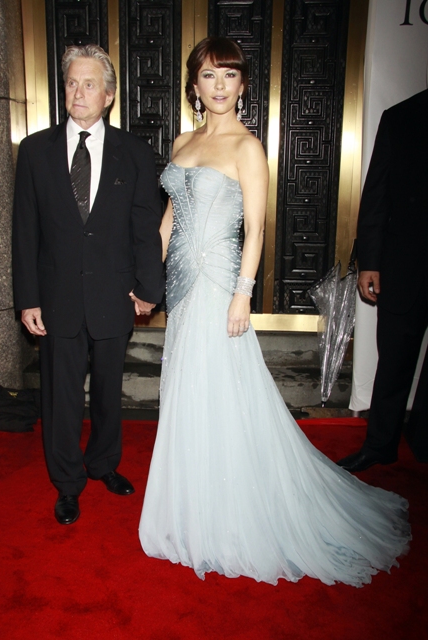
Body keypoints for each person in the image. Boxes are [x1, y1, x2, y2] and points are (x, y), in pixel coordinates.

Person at [138, 37, 410, 587]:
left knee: (222, 390)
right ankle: (195, 501)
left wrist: (243, 293)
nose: (219, 86)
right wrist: (145, 280)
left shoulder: (247, 147)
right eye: (209, 75)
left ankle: (231, 510)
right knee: (187, 387)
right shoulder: (182, 142)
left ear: (242, 85)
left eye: (229, 75)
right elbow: (169, 220)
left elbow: (257, 229)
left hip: (219, 287)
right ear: (194, 85)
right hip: (181, 289)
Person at [12, 45, 164, 525]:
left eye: (90, 84)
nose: (78, 93)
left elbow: (145, 226)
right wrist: (27, 298)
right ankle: (67, 482)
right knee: (59, 397)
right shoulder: (34, 151)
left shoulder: (134, 152)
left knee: (107, 391)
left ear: (109, 95)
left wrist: (150, 287)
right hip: (55, 297)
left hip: (114, 294)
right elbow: (24, 231)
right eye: (72, 83)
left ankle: (103, 464)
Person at [338, 89, 428, 473]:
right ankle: (380, 445)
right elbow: (376, 195)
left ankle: (422, 442)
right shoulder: (402, 116)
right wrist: (369, 263)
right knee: (393, 363)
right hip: (404, 265)